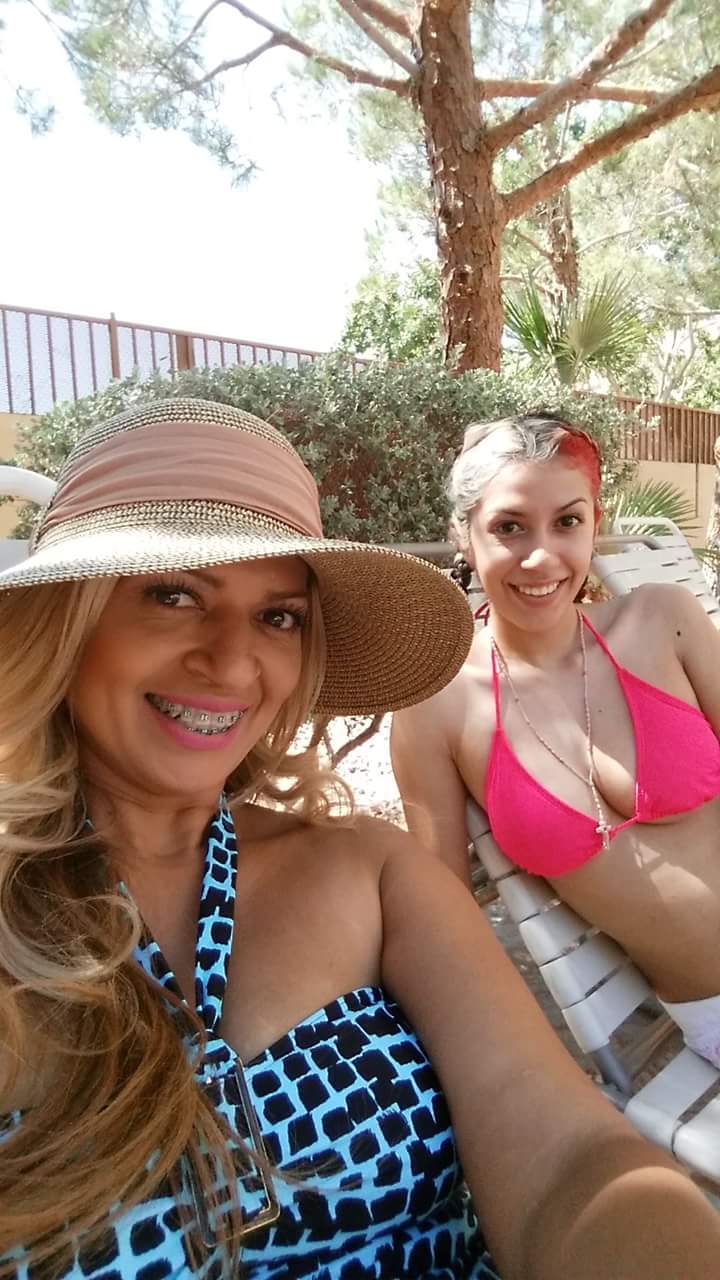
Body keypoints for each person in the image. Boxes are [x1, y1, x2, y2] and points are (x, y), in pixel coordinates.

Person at [1, 398, 719, 1280]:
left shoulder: (368, 870)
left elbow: (573, 1161)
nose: (231, 662)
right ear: (67, 620)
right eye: (174, 595)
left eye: (279, 616)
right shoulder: (444, 714)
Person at [391, 411, 720, 1071]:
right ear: (463, 535)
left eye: (567, 522)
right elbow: (442, 915)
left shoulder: (663, 619)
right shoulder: (436, 707)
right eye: (509, 527)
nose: (541, 557)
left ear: (596, 521)